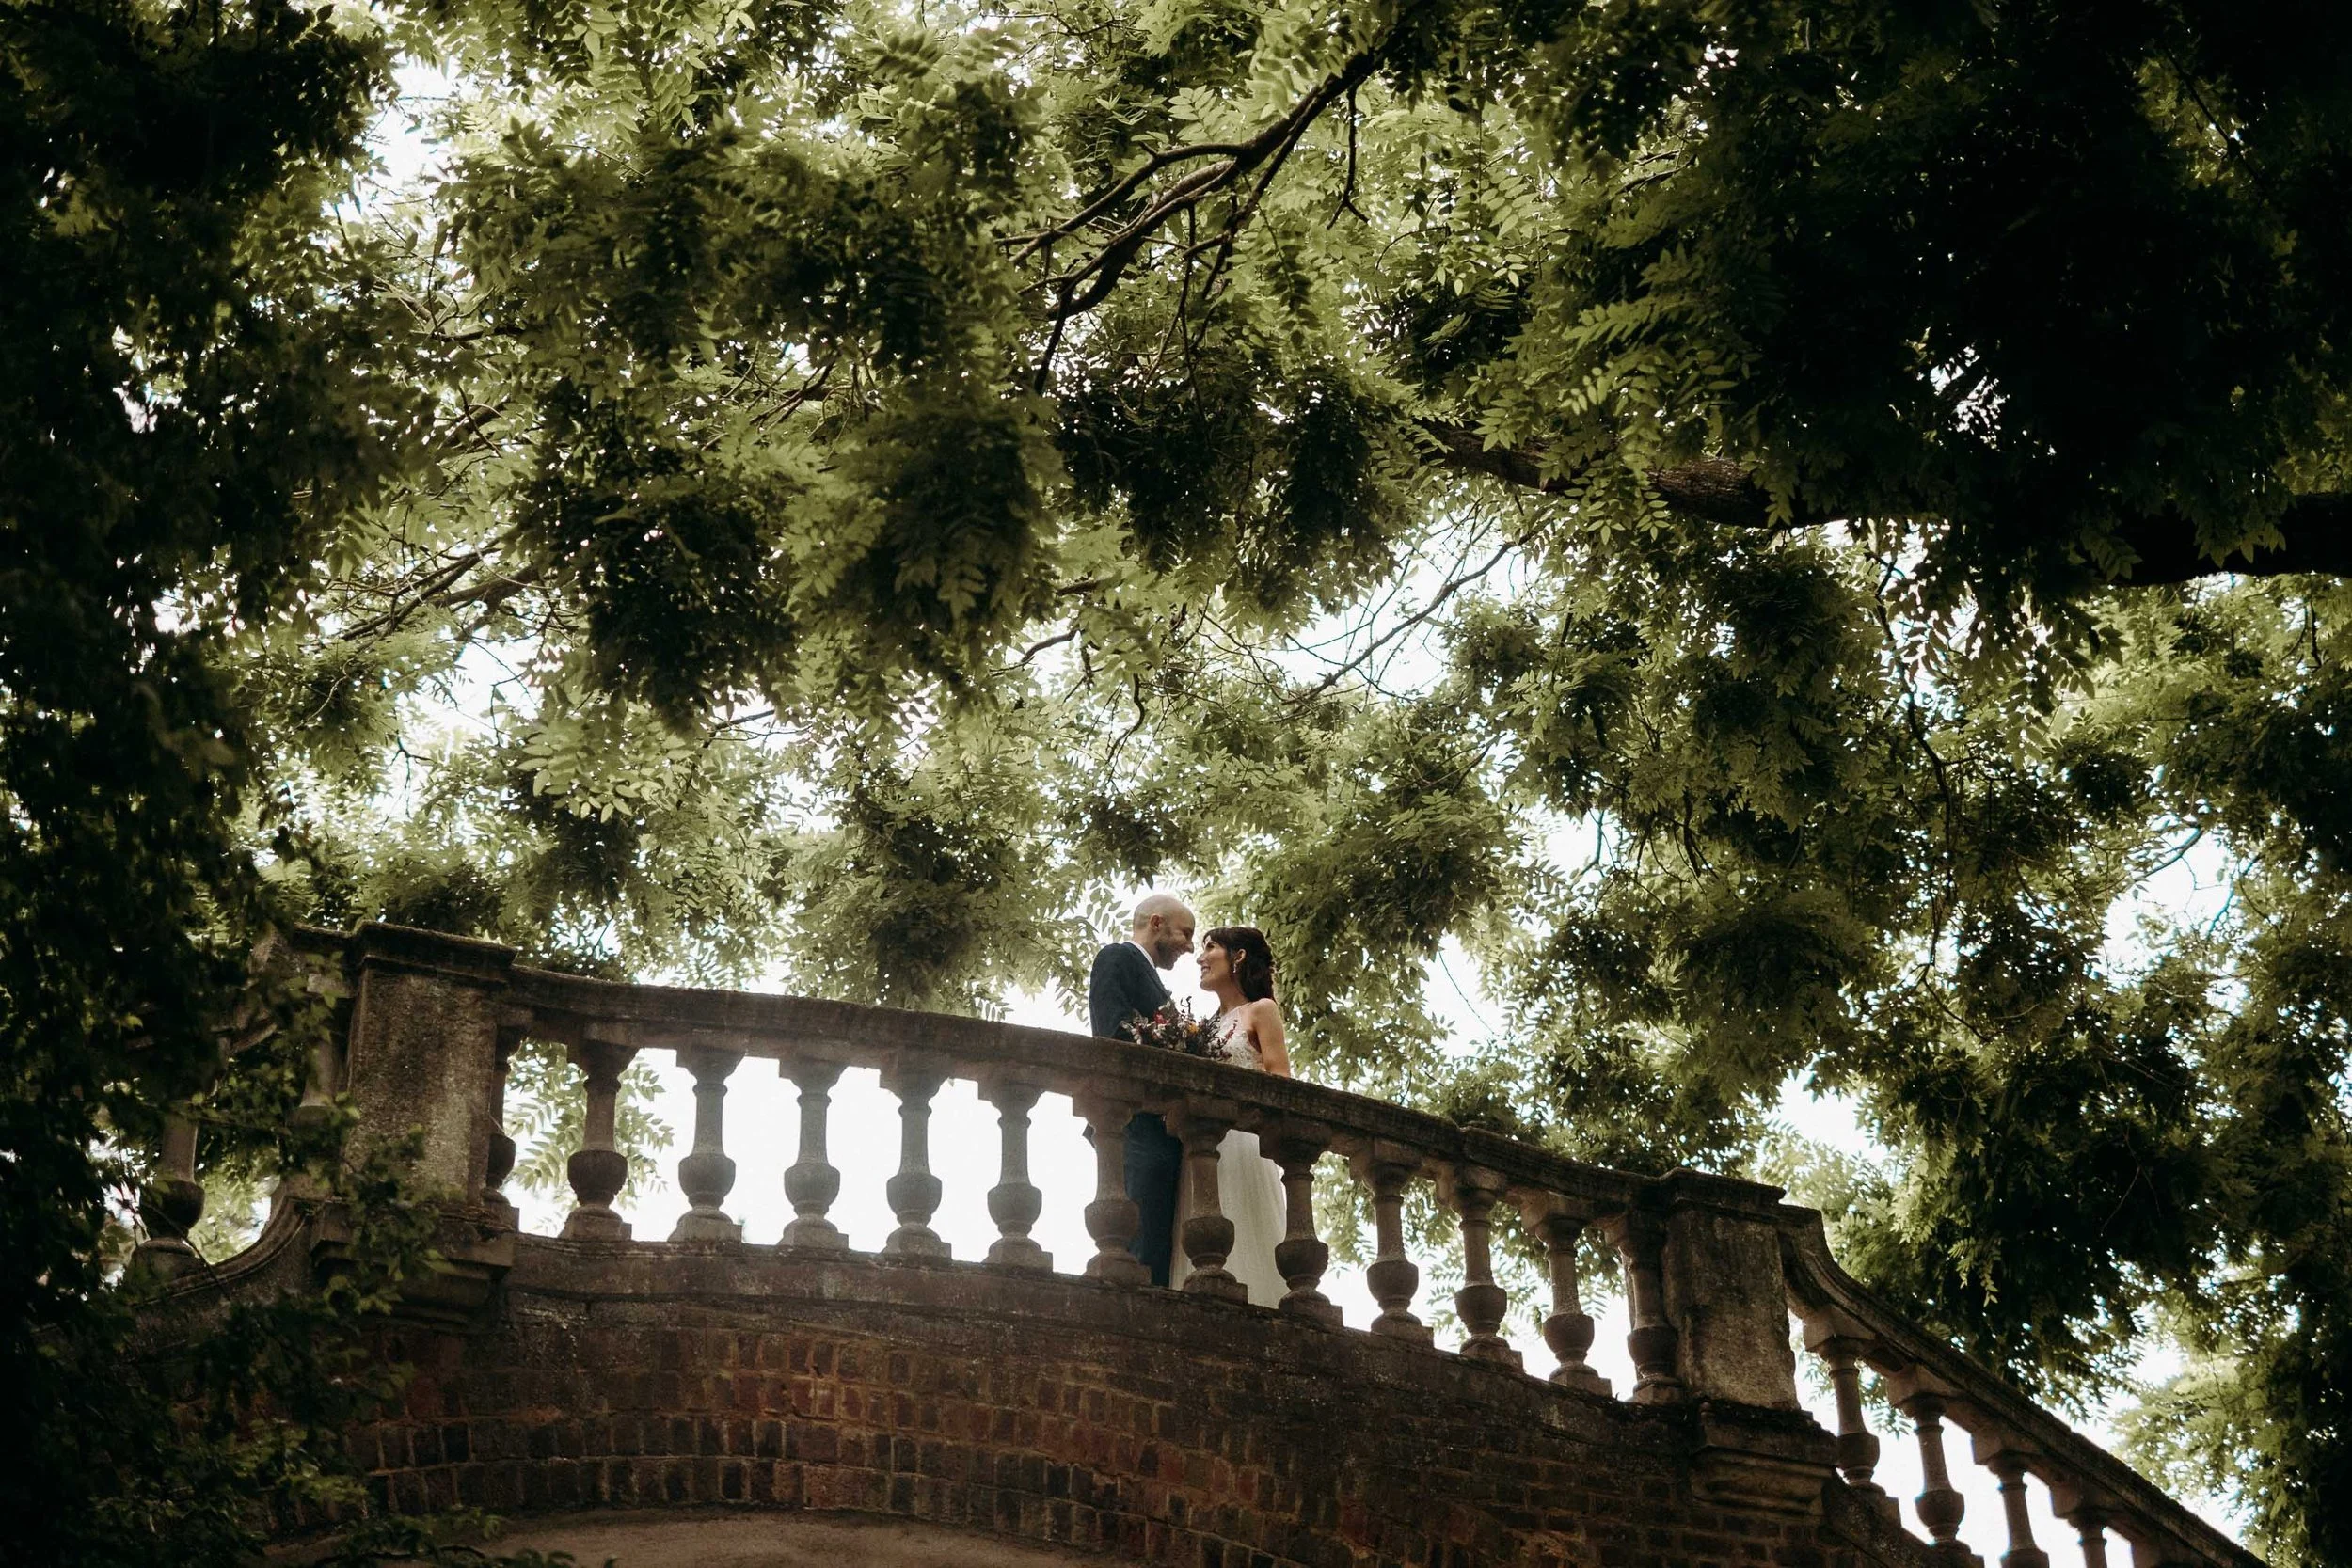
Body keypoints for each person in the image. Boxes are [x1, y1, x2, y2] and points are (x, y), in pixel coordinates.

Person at [1171, 925, 1291, 1306]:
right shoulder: (1202, 1029)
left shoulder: (1262, 1010)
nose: (1200, 957)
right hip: (1203, 1149)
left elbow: (1282, 1083)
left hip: (1245, 1145)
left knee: (1248, 1233)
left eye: (1210, 947)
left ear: (1238, 956)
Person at [1086, 893, 1194, 1284]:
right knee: (1141, 1240)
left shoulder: (1156, 982)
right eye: (1186, 933)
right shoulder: (1116, 957)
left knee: (1159, 1235)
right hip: (1134, 1124)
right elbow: (1112, 1032)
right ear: (1157, 924)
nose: (1190, 946)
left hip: (1158, 1129)